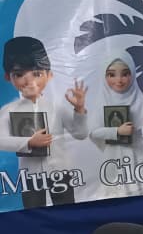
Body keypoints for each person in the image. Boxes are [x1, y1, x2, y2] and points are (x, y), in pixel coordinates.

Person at [0, 36, 89, 208]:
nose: (29, 81)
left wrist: (79, 110)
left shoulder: (57, 108)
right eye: (19, 74)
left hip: (60, 172)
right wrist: (28, 142)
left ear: (49, 75)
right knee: (34, 213)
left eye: (37, 74)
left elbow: (80, 134)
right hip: (30, 176)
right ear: (8, 77)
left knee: (66, 210)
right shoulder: (8, 111)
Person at [86, 54, 143, 199]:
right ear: (104, 76)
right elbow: (93, 132)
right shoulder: (101, 101)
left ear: (132, 74)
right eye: (112, 75)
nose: (119, 80)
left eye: (125, 74)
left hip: (139, 159)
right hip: (113, 161)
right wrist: (117, 131)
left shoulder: (139, 99)